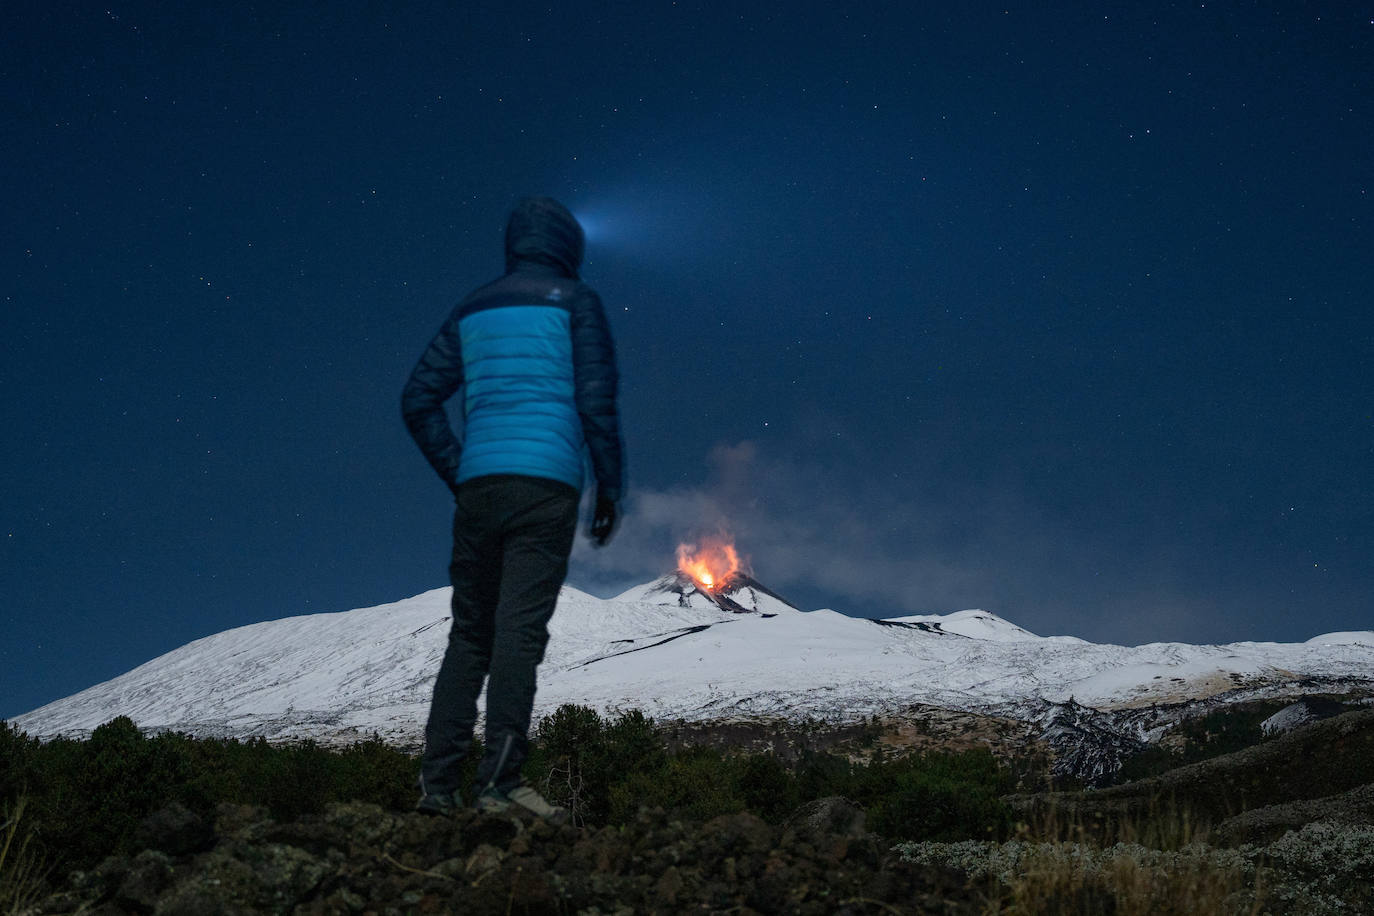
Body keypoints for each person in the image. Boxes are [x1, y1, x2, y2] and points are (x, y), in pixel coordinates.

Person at [401, 196, 624, 820]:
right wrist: (609, 488)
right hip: (546, 487)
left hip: (480, 489)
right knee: (518, 635)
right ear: (567, 248)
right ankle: (499, 784)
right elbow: (596, 403)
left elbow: (418, 399)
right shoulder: (576, 303)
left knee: (469, 634)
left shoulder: (473, 307)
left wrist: (460, 470)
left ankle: (438, 791)